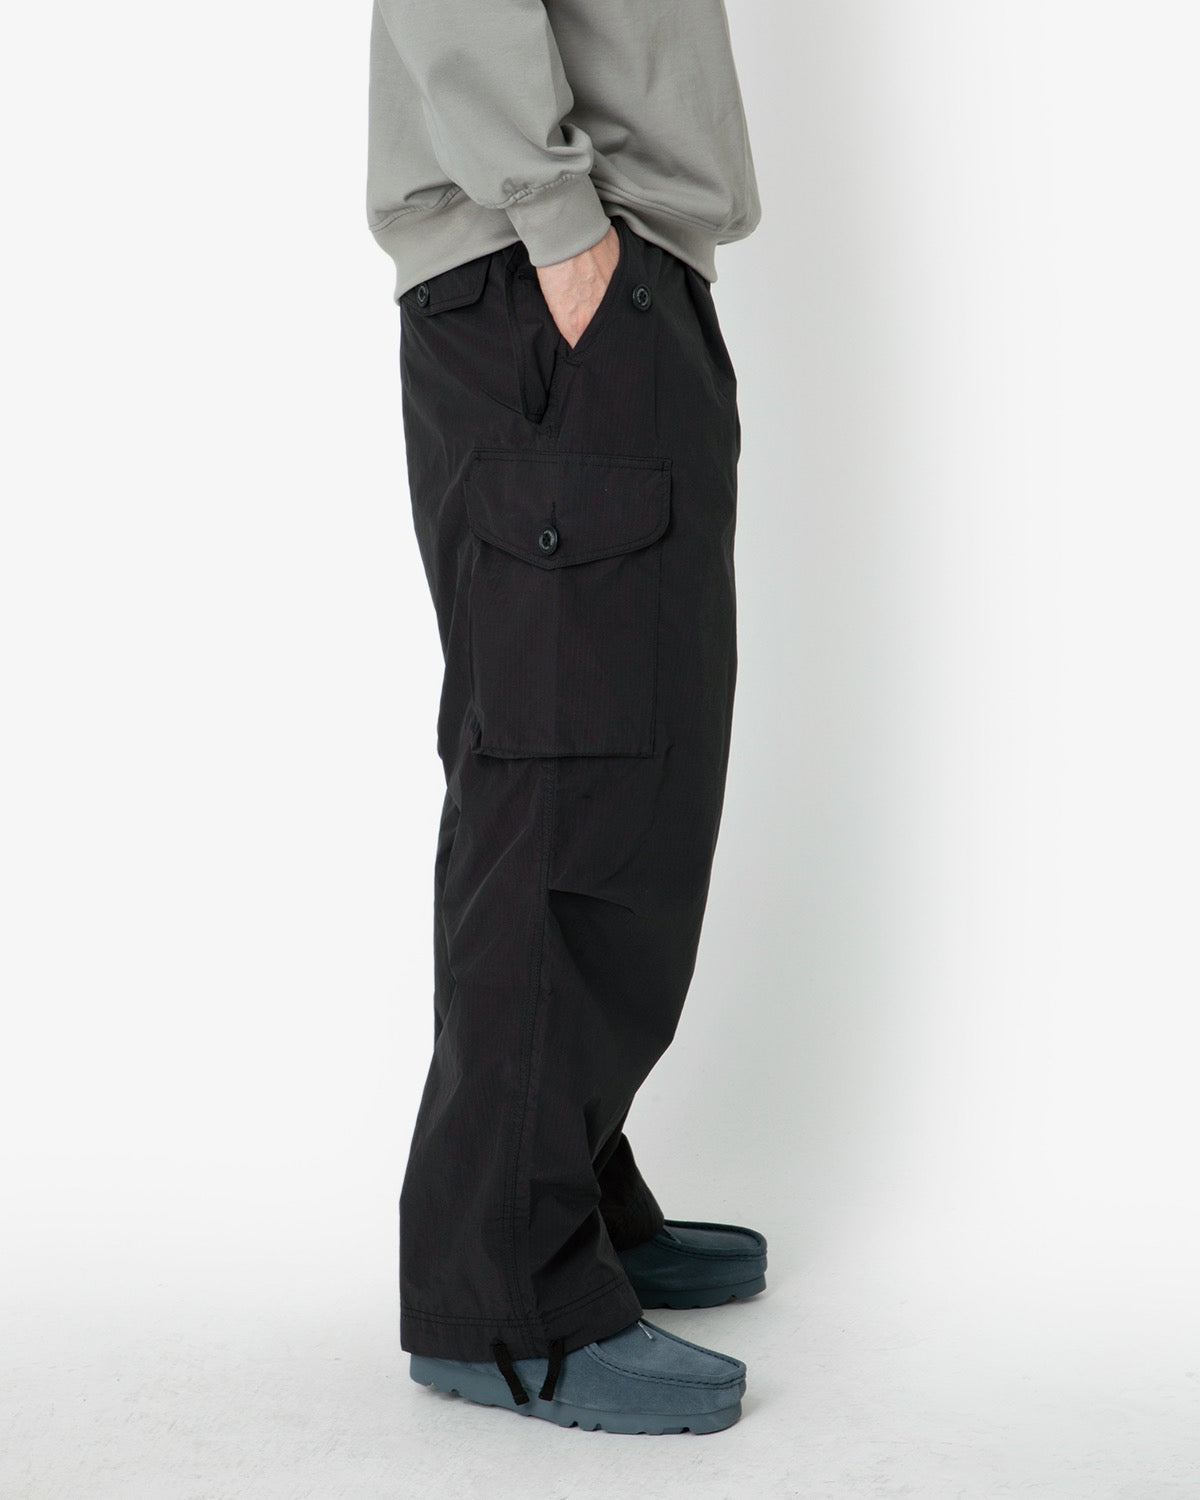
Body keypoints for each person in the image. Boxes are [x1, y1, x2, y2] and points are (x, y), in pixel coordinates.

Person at [365, 0, 765, 1435]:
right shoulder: (555, 248)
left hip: (596, 272)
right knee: (563, 782)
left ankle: (567, 1196)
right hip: (552, 271)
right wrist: (559, 223)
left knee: (617, 774)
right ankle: (506, 1298)